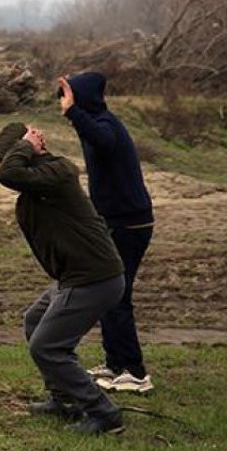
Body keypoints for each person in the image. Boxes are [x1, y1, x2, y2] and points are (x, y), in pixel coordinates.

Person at [0, 122, 127, 435]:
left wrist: (25, 144)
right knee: (34, 321)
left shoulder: (59, 172)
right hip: (76, 277)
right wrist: (25, 149)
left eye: (6, 156)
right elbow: (11, 174)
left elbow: (8, 174)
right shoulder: (39, 184)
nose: (2, 165)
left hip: (95, 278)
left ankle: (105, 415)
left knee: (47, 346)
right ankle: (65, 399)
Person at [58, 72, 155, 394]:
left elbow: (103, 140)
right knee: (109, 295)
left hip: (129, 223)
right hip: (118, 221)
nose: (63, 102)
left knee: (117, 296)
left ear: (82, 99)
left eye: (68, 96)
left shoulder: (106, 125)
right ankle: (115, 364)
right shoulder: (97, 121)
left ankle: (135, 371)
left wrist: (73, 112)